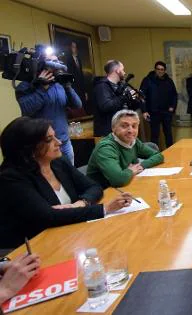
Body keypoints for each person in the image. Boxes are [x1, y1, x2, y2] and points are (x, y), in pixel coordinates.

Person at [0, 117, 133, 249]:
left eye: (55, 136)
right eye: (49, 140)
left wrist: (81, 203)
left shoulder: (58, 162)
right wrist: (105, 208)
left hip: (72, 234)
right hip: (34, 248)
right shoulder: (12, 178)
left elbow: (94, 187)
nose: (58, 142)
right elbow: (48, 217)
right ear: (29, 149)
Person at [16, 53, 82, 165]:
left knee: (69, 179)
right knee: (49, 180)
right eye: (50, 61)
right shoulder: (26, 85)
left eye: (57, 61)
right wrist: (42, 88)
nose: (56, 65)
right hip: (43, 145)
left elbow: (77, 105)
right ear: (40, 65)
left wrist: (68, 86)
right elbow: (27, 110)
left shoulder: (59, 84)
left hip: (64, 143)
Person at [87, 110, 164, 188]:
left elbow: (158, 155)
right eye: (124, 126)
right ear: (113, 128)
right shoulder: (106, 147)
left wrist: (141, 166)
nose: (130, 131)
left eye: (134, 126)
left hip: (126, 185)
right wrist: (131, 171)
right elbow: (118, 179)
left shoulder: (134, 141)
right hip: (102, 192)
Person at [92, 60, 139, 137]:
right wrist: (124, 97)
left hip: (123, 129)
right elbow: (106, 106)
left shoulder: (120, 85)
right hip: (109, 133)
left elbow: (127, 107)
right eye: (122, 69)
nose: (124, 72)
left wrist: (135, 101)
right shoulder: (101, 86)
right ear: (117, 70)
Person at [140, 61, 178, 148]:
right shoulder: (147, 80)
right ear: (155, 69)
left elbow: (174, 95)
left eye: (162, 69)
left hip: (166, 112)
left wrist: (173, 107)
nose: (160, 71)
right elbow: (141, 96)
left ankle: (171, 152)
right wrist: (144, 111)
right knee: (154, 135)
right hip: (153, 112)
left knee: (168, 134)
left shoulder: (169, 81)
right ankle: (154, 154)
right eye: (158, 69)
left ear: (165, 71)